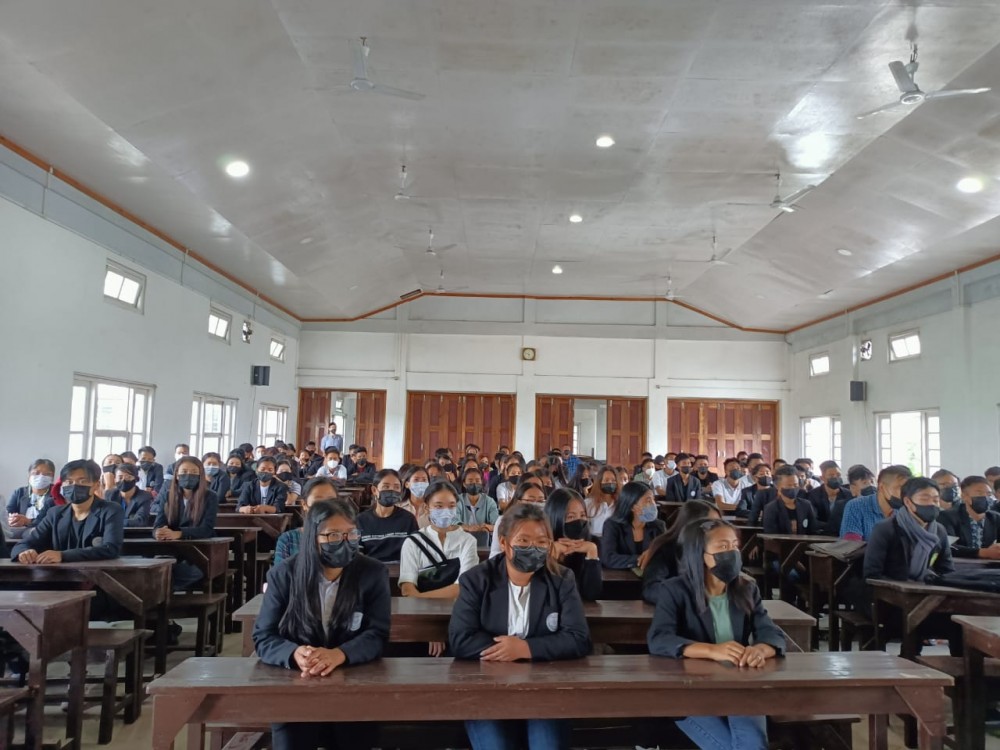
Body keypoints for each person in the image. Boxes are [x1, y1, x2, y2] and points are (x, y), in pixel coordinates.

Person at [448, 502, 591, 750]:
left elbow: (578, 638)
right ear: (504, 543)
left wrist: (526, 648)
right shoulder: (476, 580)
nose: (532, 548)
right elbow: (461, 639)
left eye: (541, 542)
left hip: (545, 689)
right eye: (523, 541)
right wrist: (507, 650)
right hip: (486, 689)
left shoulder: (561, 579)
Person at [253, 499, 390, 750]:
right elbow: (264, 636)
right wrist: (294, 653)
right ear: (313, 537)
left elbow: (377, 633)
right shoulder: (284, 575)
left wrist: (339, 654)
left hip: (354, 682)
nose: (344, 541)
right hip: (296, 684)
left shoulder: (372, 573)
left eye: (351, 533)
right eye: (333, 535)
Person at [648, 518, 783, 750]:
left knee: (752, 743)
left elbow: (771, 632)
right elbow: (659, 639)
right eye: (722, 547)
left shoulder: (747, 588)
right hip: (692, 692)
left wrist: (760, 650)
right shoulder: (675, 590)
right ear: (700, 554)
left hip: (739, 687)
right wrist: (712, 651)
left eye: (734, 546)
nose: (731, 552)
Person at [11, 459, 124, 564]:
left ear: (96, 485)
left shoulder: (111, 510)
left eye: (82, 481)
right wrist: (24, 551)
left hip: (97, 578)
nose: (74, 486)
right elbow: (25, 543)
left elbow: (111, 548)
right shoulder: (55, 513)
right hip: (59, 577)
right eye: (69, 482)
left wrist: (63, 555)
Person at [398, 481, 479, 600]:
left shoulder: (468, 541)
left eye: (451, 506)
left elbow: (463, 587)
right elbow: (407, 588)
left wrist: (419, 597)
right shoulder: (413, 542)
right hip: (420, 612)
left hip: (459, 611)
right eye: (439, 506)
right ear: (426, 508)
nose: (446, 511)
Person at [152, 456, 220, 590]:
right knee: (158, 571)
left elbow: (206, 529)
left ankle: (163, 592)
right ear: (176, 475)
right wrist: (158, 532)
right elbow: (158, 524)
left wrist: (179, 533)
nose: (188, 476)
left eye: (194, 472)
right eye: (183, 472)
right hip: (172, 550)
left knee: (190, 573)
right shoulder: (167, 495)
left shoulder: (210, 496)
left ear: (200, 475)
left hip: (199, 552)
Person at [642, 500, 720, 604]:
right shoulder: (666, 549)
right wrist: (688, 597)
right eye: (712, 525)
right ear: (693, 524)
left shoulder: (717, 550)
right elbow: (651, 589)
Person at [545, 488, 602, 600]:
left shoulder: (592, 543)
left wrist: (592, 553)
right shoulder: (542, 545)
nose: (579, 521)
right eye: (570, 517)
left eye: (582, 515)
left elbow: (592, 594)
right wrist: (552, 558)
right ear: (556, 517)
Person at [598, 481, 666, 570]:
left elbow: (666, 556)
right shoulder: (612, 526)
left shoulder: (659, 526)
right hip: (620, 579)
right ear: (632, 506)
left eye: (653, 499)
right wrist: (641, 559)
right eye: (648, 500)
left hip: (652, 579)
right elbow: (608, 558)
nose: (653, 504)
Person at [356, 470, 418, 563]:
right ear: (374, 490)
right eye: (386, 486)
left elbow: (415, 551)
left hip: (401, 573)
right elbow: (357, 554)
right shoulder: (361, 520)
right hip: (371, 573)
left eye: (396, 487)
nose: (392, 490)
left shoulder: (408, 519)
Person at [275, 478, 339, 566]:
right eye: (318, 500)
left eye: (331, 500)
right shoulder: (288, 540)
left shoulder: (345, 537)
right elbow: (280, 577)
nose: (325, 505)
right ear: (304, 504)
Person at [841, 464, 912, 541]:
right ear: (882, 487)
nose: (905, 493)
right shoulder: (856, 506)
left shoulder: (905, 510)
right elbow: (852, 545)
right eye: (900, 488)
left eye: (908, 489)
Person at [938, 475, 1000, 560]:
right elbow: (948, 546)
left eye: (989, 494)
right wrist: (982, 552)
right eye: (980, 493)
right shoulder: (947, 517)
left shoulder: (996, 518)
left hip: (990, 567)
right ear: (964, 496)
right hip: (958, 568)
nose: (986, 497)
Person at [6, 459, 56, 539]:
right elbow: (8, 511)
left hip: (43, 531)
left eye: (46, 474)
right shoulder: (19, 492)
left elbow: (53, 519)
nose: (41, 477)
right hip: (18, 530)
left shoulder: (56, 494)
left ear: (52, 477)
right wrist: (12, 519)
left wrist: (28, 521)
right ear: (29, 475)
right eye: (36, 473)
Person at [762, 466, 818, 535]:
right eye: (789, 485)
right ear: (778, 486)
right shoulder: (771, 508)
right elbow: (770, 536)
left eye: (795, 485)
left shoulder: (806, 505)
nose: (793, 488)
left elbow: (813, 530)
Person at [807, 460, 852, 535]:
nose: (836, 477)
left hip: (843, 534)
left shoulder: (848, 494)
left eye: (838, 475)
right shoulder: (813, 495)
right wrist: (832, 527)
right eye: (831, 475)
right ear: (822, 478)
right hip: (820, 535)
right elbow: (813, 520)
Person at [457, 467, 499, 548]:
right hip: (461, 541)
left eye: (477, 481)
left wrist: (485, 527)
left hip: (485, 540)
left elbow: (497, 524)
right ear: (464, 484)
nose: (474, 484)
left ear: (481, 483)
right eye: (470, 481)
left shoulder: (489, 501)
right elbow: (453, 523)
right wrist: (469, 528)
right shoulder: (458, 500)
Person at [584, 465, 619, 537]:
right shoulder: (588, 503)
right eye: (606, 480)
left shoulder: (620, 503)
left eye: (613, 480)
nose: (610, 483)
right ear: (600, 482)